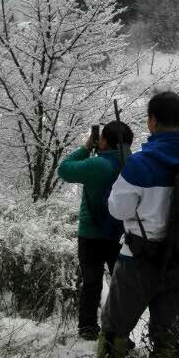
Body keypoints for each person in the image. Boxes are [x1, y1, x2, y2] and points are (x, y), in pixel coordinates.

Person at [95, 91, 179, 358]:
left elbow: (117, 211)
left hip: (138, 259)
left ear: (152, 121)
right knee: (167, 332)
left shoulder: (140, 163)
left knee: (115, 326)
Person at [58, 121, 134, 340]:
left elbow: (64, 169)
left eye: (100, 138)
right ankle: (120, 333)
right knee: (121, 286)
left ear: (105, 141)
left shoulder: (97, 164)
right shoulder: (133, 164)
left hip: (91, 234)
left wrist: (85, 147)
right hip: (121, 235)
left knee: (91, 282)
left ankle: (88, 328)